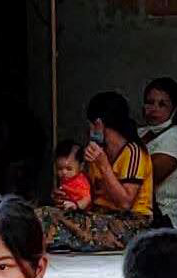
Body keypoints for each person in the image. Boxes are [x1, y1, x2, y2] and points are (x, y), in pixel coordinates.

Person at [40, 91, 153, 254]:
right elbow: (89, 194)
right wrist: (67, 198)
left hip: (131, 225)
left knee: (48, 219)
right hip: (99, 217)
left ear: (99, 124)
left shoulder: (133, 152)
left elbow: (125, 203)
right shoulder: (96, 152)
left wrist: (104, 165)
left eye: (91, 125)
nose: (90, 130)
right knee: (47, 214)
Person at [139, 77, 177, 229]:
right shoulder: (140, 132)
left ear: (174, 109)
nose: (154, 108)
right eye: (150, 102)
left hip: (162, 222)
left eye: (162, 104)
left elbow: (141, 180)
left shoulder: (175, 139)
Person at [52, 141, 92, 208]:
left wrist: (76, 205)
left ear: (81, 166)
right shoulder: (67, 178)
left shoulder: (80, 182)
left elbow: (87, 199)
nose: (64, 172)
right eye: (59, 168)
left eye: (69, 169)